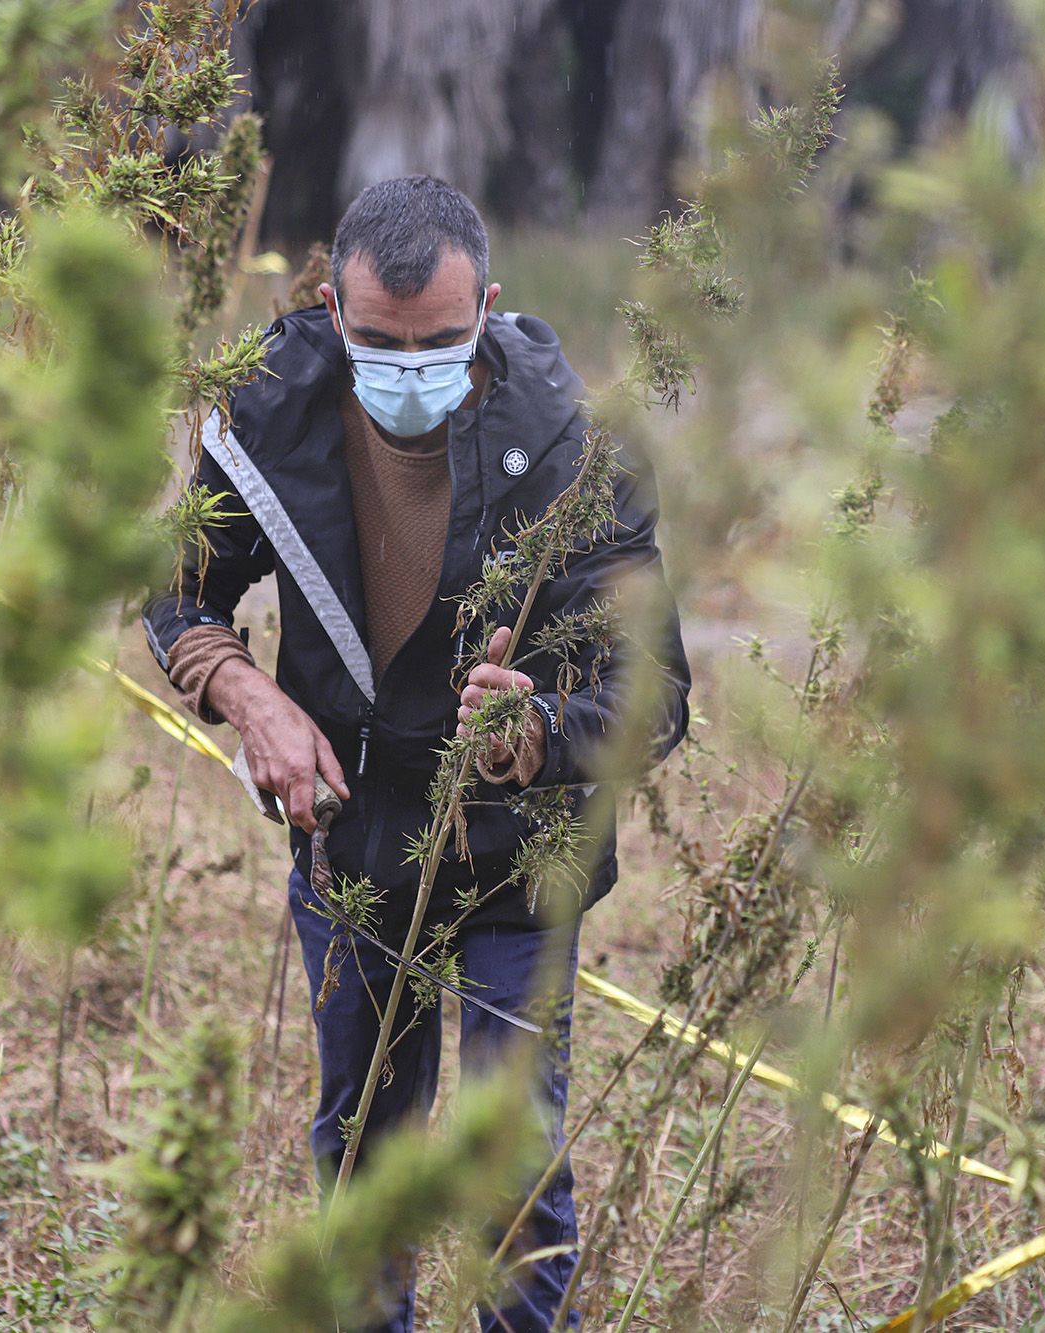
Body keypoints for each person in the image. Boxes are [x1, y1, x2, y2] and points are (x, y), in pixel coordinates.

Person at [142, 174, 689, 1331]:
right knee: (364, 1158)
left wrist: (533, 730)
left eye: (439, 341)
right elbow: (177, 595)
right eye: (378, 342)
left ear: (486, 306)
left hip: (514, 862)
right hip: (350, 847)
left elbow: (656, 695)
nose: (407, 367)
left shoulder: (571, 451)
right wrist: (249, 693)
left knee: (513, 1175)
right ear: (333, 312)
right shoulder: (271, 415)